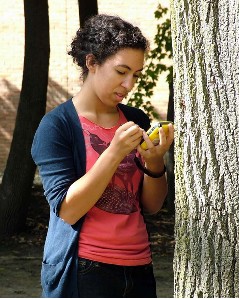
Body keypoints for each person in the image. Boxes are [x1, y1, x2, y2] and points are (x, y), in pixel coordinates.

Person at [31, 14, 174, 298]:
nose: (130, 84)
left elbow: (152, 206)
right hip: (84, 270)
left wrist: (155, 161)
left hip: (139, 268)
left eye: (136, 75)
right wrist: (114, 152)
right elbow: (68, 210)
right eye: (122, 72)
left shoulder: (135, 119)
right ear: (92, 62)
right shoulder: (57, 126)